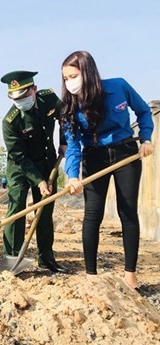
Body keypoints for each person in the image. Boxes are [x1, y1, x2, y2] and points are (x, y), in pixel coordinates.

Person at [60, 51, 154, 288]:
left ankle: (130, 274)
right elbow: (72, 146)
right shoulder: (70, 106)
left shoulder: (119, 87)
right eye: (66, 78)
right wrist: (72, 176)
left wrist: (146, 138)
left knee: (127, 211)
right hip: (94, 158)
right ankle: (91, 275)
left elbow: (143, 111)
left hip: (126, 153)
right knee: (93, 214)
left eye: (73, 76)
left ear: (87, 72)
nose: (70, 82)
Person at [1, 70, 67, 273]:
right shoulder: (9, 122)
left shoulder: (48, 99)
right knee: (17, 209)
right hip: (20, 168)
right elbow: (19, 157)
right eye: (15, 98)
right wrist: (38, 181)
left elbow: (65, 117)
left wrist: (64, 142)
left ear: (34, 90)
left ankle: (46, 258)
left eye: (23, 96)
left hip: (47, 162)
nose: (19, 101)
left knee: (45, 210)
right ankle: (12, 259)